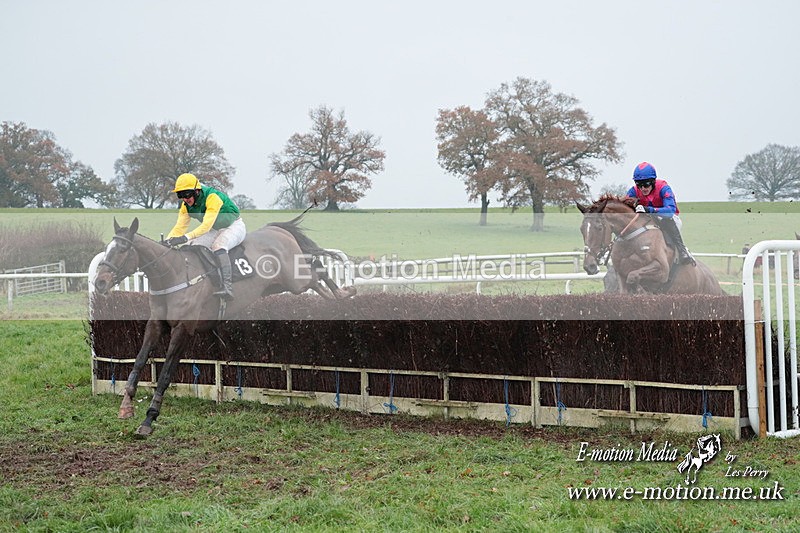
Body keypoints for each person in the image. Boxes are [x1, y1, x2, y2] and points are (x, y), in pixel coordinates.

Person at [164, 173, 246, 300]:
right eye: (180, 195)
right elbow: (179, 227)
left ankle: (227, 287)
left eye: (187, 194)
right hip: (214, 228)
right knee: (191, 246)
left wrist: (185, 237)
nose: (185, 199)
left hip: (234, 226)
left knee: (219, 246)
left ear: (197, 191)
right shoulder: (185, 207)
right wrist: (167, 241)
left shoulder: (212, 197)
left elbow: (206, 226)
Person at [626, 162, 695, 266]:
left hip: (669, 219)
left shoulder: (664, 188)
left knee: (666, 220)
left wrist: (649, 210)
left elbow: (670, 211)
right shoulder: (633, 191)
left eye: (646, 184)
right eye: (639, 185)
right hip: (648, 219)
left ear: (653, 182)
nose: (643, 188)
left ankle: (682, 250)